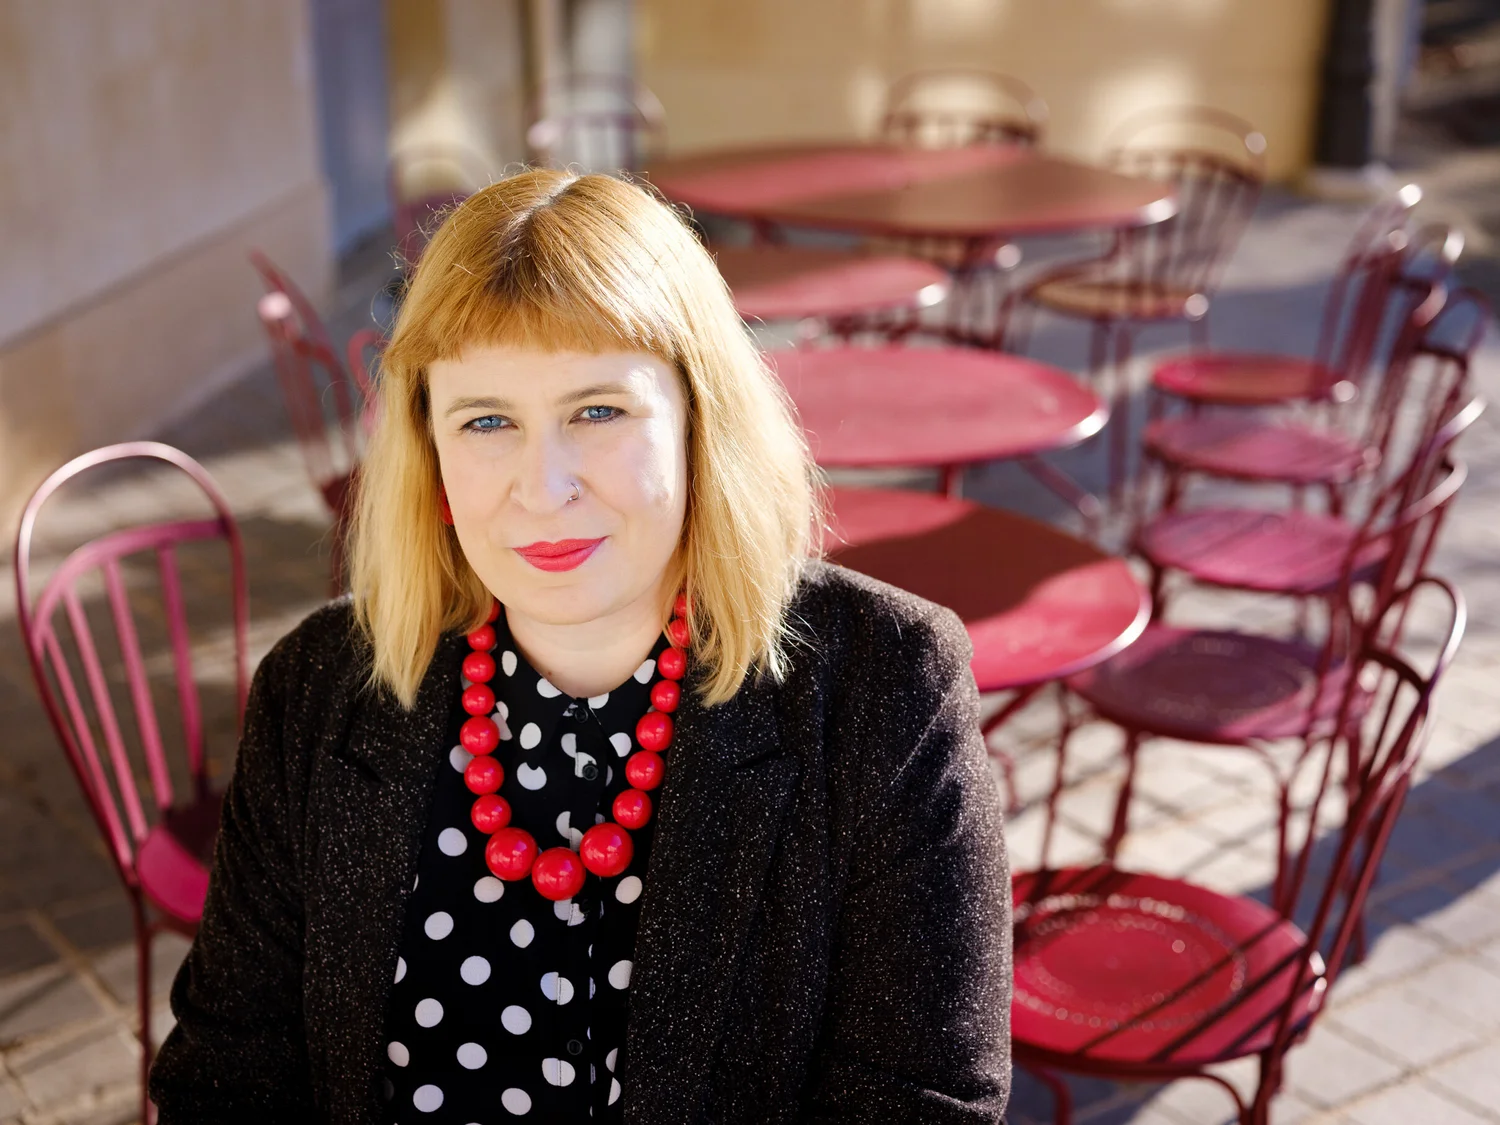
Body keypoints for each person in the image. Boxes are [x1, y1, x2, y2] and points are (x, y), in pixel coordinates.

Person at [149, 169, 1011, 1124]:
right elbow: (224, 1078)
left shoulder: (886, 688)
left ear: (701, 422)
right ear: (429, 452)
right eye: (486, 421)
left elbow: (923, 1100)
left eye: (598, 410)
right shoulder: (316, 689)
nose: (543, 485)